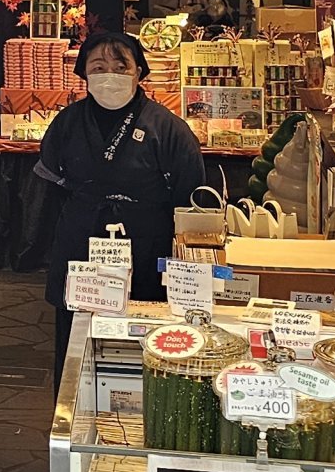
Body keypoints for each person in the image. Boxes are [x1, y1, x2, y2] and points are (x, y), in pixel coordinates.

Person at [33, 30, 206, 363]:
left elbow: (190, 195)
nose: (109, 75)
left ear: (138, 72)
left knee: (144, 339)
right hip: (82, 242)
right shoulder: (68, 122)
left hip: (145, 244)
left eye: (120, 66)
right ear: (84, 73)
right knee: (76, 340)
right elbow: (50, 184)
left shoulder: (168, 127)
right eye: (98, 67)